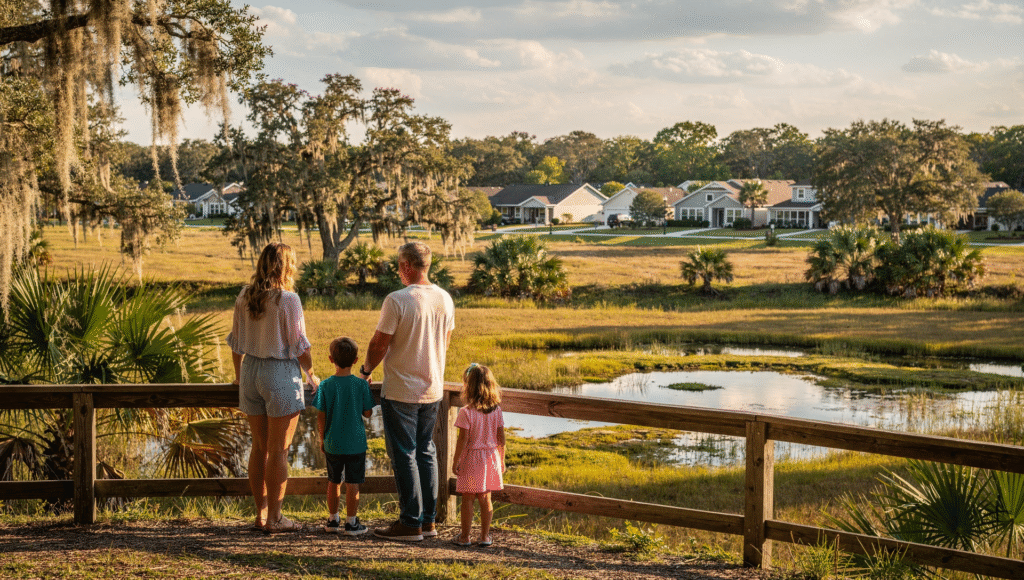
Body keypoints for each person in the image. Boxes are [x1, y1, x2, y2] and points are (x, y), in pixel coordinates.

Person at [360, 241, 455, 542]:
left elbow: (379, 343)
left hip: (401, 389)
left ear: (406, 266)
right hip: (433, 388)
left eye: (398, 265)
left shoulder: (397, 300)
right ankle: (428, 521)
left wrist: (365, 371)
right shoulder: (445, 298)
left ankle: (410, 522)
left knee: (404, 454)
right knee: (426, 451)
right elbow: (445, 341)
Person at [227, 242, 318, 533]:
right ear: (287, 266)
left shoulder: (244, 295)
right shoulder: (288, 299)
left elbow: (236, 342)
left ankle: (261, 514)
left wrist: (240, 377)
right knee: (279, 450)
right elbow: (300, 345)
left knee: (259, 447)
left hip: (251, 370)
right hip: (279, 372)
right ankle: (276, 519)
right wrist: (311, 375)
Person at [314, 337, 375, 535]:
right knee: (353, 483)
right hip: (356, 443)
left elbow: (320, 416)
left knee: (333, 481)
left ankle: (333, 520)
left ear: (331, 359)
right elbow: (367, 413)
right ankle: (351, 523)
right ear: (356, 360)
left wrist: (322, 439)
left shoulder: (325, 385)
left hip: (332, 442)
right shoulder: (361, 385)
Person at [451, 364, 506, 547]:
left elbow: (463, 440)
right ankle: (484, 537)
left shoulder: (466, 412)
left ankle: (465, 537)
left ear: (469, 387)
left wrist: (456, 460)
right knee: (485, 498)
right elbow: (501, 439)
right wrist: (502, 460)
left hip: (471, 459)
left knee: (467, 499)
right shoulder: (497, 410)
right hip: (490, 458)